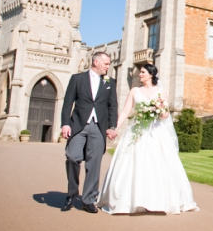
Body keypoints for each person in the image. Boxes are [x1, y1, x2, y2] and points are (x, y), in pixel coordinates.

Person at [99, 63, 198, 214]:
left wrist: (159, 108)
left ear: (151, 74)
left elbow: (165, 116)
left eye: (143, 72)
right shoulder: (134, 91)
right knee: (131, 163)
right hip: (137, 131)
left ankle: (155, 200)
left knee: (155, 165)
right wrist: (115, 127)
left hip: (155, 132)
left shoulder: (160, 92)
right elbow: (126, 111)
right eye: (140, 72)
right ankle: (128, 200)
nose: (140, 74)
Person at [60, 51, 118, 213]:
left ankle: (88, 199)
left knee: (94, 163)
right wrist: (65, 124)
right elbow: (67, 104)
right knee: (72, 156)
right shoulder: (77, 79)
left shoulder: (109, 82)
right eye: (106, 64)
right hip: (78, 125)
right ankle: (71, 194)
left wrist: (112, 126)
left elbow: (112, 106)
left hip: (98, 127)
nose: (108, 67)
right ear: (95, 63)